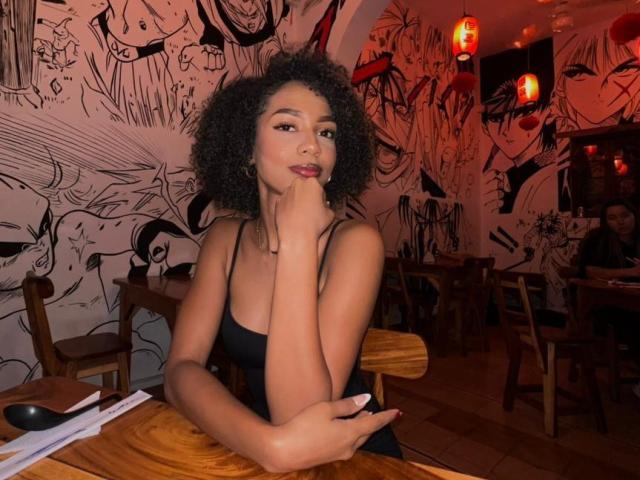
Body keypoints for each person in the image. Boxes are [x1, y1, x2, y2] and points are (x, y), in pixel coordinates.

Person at [163, 48, 402, 473]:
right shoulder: (225, 239)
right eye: (287, 125)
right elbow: (180, 371)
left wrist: (297, 241)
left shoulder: (356, 243)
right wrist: (270, 446)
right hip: (267, 447)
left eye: (326, 132)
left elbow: (302, 412)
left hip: (353, 459)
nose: (312, 145)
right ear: (247, 149)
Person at [577, 199, 640, 399]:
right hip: (604, 304)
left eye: (625, 216)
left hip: (634, 300)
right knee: (634, 320)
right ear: (605, 221)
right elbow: (589, 271)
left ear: (634, 215)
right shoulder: (598, 240)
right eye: (612, 218)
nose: (620, 222)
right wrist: (631, 272)